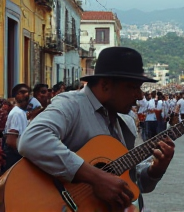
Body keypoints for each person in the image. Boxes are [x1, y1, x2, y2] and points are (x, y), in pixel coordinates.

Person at [18, 47, 175, 211]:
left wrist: (156, 170)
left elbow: (129, 186)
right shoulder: (71, 104)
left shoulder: (126, 123)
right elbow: (32, 139)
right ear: (105, 84)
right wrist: (96, 177)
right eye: (133, 87)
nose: (139, 96)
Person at [1, 84, 30, 174]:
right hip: (15, 157)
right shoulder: (16, 113)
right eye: (21, 92)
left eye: (27, 92)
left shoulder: (21, 112)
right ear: (15, 96)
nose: (26, 95)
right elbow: (11, 141)